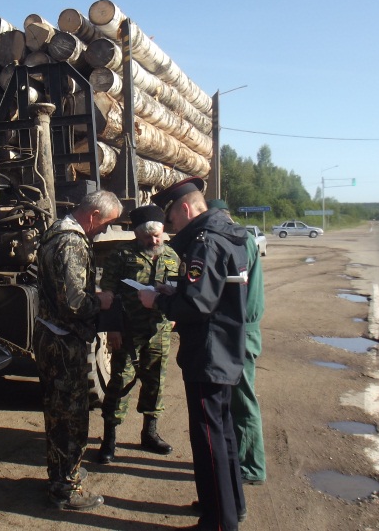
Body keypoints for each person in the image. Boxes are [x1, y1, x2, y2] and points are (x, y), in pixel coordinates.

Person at [139, 178, 248, 531]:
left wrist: (159, 300)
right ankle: (231, 506)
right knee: (224, 432)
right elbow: (212, 291)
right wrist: (178, 288)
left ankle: (218, 522)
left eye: (170, 219)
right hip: (225, 347)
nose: (170, 227)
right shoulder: (227, 234)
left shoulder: (205, 243)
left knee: (209, 438)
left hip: (208, 352)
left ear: (185, 209)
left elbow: (198, 305)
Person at [34, 189, 122, 511]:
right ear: (93, 216)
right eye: (106, 224)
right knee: (70, 419)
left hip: (51, 335)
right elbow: (74, 303)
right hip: (63, 342)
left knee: (58, 413)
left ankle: (62, 472)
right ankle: (65, 489)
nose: (105, 230)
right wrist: (101, 300)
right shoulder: (71, 242)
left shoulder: (55, 233)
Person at [97, 204, 180, 464]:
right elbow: (107, 293)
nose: (153, 241)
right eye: (148, 237)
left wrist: (176, 313)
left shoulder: (172, 256)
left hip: (159, 331)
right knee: (120, 381)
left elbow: (180, 289)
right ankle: (109, 438)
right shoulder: (121, 254)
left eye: (157, 236)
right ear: (137, 234)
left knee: (155, 382)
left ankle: (150, 433)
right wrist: (112, 327)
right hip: (128, 330)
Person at [207, 199, 267, 486]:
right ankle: (242, 458)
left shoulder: (239, 240)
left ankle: (252, 467)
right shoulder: (247, 238)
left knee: (243, 401)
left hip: (241, 330)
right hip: (245, 328)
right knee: (239, 400)